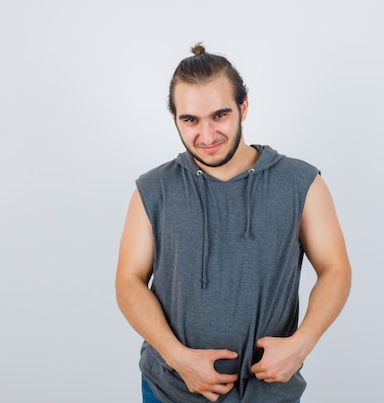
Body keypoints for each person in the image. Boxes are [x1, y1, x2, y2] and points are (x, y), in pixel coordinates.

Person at [115, 43, 351, 403]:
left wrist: (301, 345)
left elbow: (335, 268)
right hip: (169, 390)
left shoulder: (300, 182)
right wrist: (178, 359)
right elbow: (129, 281)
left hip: (270, 393)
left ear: (243, 107)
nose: (207, 136)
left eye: (219, 116)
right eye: (190, 120)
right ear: (175, 118)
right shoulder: (152, 189)